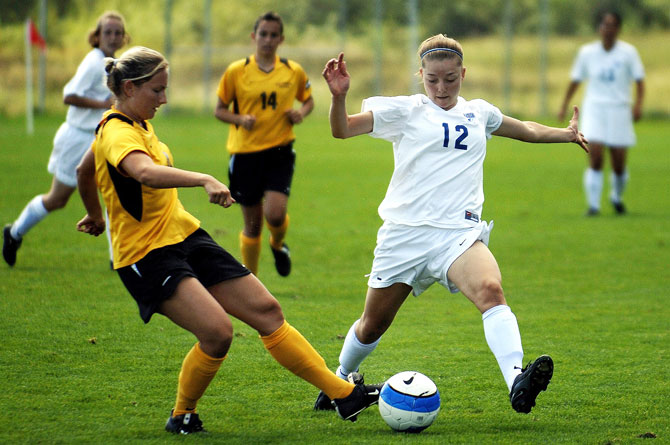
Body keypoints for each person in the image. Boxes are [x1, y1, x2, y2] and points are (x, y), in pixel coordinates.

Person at [75, 46, 380, 434]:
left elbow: (85, 169)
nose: (164, 98)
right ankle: (182, 414)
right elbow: (145, 173)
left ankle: (343, 395)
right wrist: (203, 178)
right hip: (146, 254)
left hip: (184, 235)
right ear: (131, 88)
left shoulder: (132, 124)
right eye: (157, 90)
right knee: (217, 334)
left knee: (268, 311)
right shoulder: (117, 131)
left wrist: (93, 213)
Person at [314, 35, 589, 415]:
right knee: (372, 325)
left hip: (457, 235)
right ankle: (340, 379)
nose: (441, 88)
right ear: (421, 75)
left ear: (463, 74)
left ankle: (517, 381)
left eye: (450, 79)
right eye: (432, 80)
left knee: (491, 290)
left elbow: (524, 129)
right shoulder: (405, 111)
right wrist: (339, 95)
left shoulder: (480, 113)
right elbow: (342, 129)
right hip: (405, 235)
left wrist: (567, 134)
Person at [3, 11, 129, 267]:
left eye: (118, 33)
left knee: (113, 192)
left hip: (100, 139)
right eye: (108, 32)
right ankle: (13, 233)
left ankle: (117, 258)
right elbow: (68, 95)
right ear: (97, 35)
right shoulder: (94, 61)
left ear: (124, 37)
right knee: (57, 199)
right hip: (76, 138)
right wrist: (102, 103)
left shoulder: (114, 63)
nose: (113, 37)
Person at [214, 11, 314, 277]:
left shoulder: (292, 71)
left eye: (273, 35)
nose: (268, 40)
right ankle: (252, 282)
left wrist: (299, 114)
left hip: (279, 151)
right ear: (253, 36)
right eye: (263, 34)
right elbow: (219, 109)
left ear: (281, 39)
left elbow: (308, 100)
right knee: (253, 225)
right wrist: (239, 118)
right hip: (245, 154)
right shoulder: (237, 71)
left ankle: (278, 244)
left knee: (276, 215)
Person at [558, 10, 645, 216]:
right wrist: (564, 104)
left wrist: (638, 105)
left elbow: (640, 81)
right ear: (600, 28)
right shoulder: (587, 52)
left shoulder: (628, 53)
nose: (608, 29)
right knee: (595, 156)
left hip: (619, 109)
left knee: (619, 163)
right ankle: (594, 206)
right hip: (596, 109)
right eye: (605, 25)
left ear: (618, 28)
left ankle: (616, 197)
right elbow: (576, 80)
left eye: (612, 25)